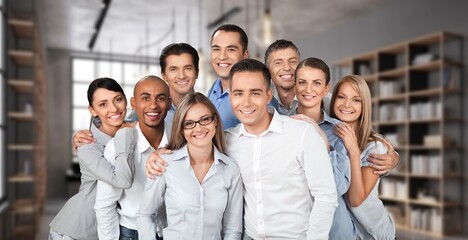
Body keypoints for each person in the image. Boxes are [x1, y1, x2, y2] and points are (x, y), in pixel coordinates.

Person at [136, 93, 243, 239]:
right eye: (189, 123)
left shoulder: (230, 169)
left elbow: (233, 229)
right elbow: (145, 215)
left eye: (205, 120)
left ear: (215, 121)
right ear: (181, 129)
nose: (198, 129)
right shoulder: (165, 164)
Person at [49, 77, 136, 240]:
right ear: (92, 110)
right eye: (103, 104)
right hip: (75, 231)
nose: (114, 108)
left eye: (118, 99)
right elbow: (122, 180)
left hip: (110, 229)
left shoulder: (133, 127)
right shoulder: (88, 146)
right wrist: (125, 136)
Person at [94, 75, 171, 240]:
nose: (153, 105)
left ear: (169, 103)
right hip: (131, 233)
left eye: (161, 98)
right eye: (145, 98)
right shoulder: (116, 147)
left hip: (172, 232)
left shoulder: (180, 141)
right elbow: (104, 206)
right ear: (134, 103)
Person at [292, 57, 355, 239]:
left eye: (316, 83)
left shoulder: (339, 130)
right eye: (302, 82)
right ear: (295, 86)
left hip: (335, 231)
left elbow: (340, 186)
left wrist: (323, 141)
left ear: (326, 88)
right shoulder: (282, 125)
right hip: (296, 229)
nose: (308, 90)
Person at [331, 75, 396, 239]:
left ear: (364, 105)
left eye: (356, 100)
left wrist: (353, 151)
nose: (347, 105)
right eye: (341, 97)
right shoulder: (330, 138)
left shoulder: (374, 147)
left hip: (374, 234)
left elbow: (355, 199)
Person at [207, 24, 249, 129]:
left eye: (231, 49)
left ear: (245, 55)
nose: (222, 56)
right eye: (216, 49)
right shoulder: (214, 87)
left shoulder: (256, 91)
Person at [159, 42, 199, 131]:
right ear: (164, 75)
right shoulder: (153, 109)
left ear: (197, 73)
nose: (182, 76)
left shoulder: (207, 108)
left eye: (188, 68)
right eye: (173, 69)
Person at [264, 39, 300, 115]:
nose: (287, 68)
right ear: (268, 71)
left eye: (292, 62)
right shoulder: (266, 107)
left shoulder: (325, 102)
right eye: (278, 63)